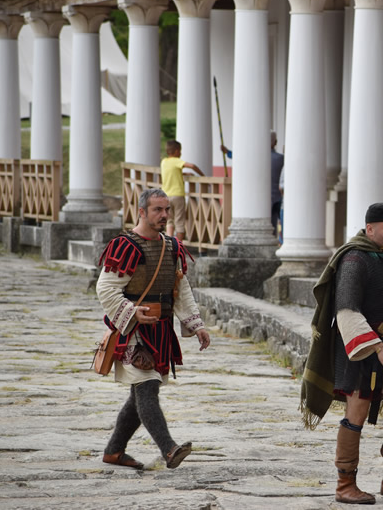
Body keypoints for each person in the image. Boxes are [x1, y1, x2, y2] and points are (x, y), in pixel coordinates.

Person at [300, 203, 383, 504]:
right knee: (355, 411)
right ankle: (345, 484)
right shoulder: (354, 260)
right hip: (360, 349)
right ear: (370, 229)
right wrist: (378, 348)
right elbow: (347, 311)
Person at [96, 188, 211, 470]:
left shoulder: (172, 247)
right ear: (142, 212)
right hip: (133, 332)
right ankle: (169, 449)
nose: (164, 215)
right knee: (147, 388)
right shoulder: (125, 246)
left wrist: (196, 325)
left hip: (161, 331)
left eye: (167, 209)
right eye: (158, 210)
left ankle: (114, 451)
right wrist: (133, 312)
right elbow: (106, 288)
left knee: (140, 394)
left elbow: (180, 289)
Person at [221, 130, 283, 234]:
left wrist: (227, 152)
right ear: (275, 142)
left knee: (268, 223)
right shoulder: (281, 158)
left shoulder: (257, 158)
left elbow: (240, 158)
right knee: (281, 221)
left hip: (263, 196)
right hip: (279, 195)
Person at [160, 140, 205, 241]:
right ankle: (178, 246)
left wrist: (183, 174)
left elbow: (171, 173)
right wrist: (202, 175)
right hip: (177, 195)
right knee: (179, 222)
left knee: (170, 221)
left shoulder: (164, 162)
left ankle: (169, 245)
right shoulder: (176, 161)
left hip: (166, 196)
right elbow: (192, 166)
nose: (180, 153)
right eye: (180, 151)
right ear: (176, 151)